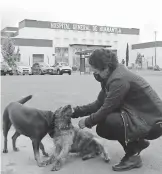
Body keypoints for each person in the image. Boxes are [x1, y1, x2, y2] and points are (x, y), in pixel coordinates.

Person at [71, 49, 162, 171]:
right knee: (105, 123)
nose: (94, 73)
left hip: (154, 123)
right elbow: (99, 103)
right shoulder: (110, 76)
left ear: (106, 68)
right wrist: (76, 111)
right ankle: (138, 143)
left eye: (96, 70)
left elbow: (107, 108)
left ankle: (133, 155)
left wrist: (87, 121)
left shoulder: (118, 79)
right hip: (141, 118)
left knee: (109, 122)